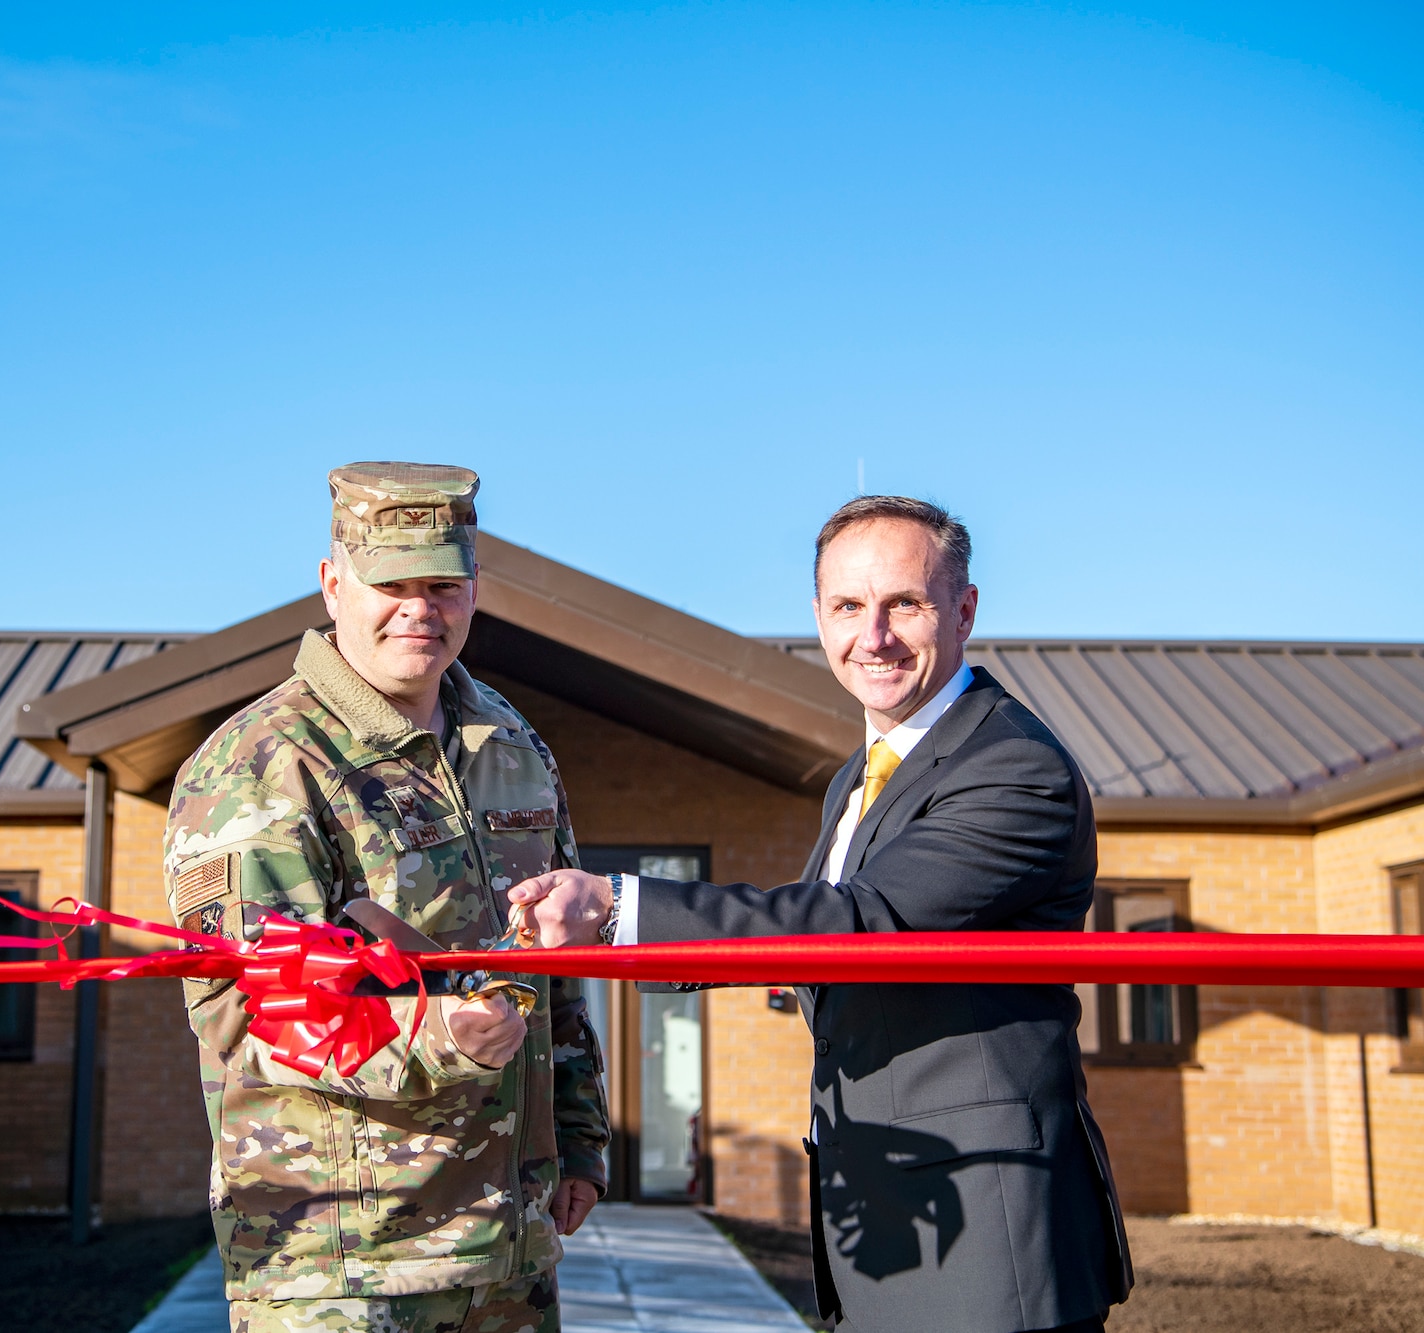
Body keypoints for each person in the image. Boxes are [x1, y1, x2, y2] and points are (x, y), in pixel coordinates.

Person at [508, 495, 1132, 1333]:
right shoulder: (859, 775)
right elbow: (815, 949)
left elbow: (860, 922)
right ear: (817, 616)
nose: (872, 636)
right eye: (848, 606)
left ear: (966, 609)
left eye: (902, 603)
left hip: (990, 1228)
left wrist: (621, 903)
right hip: (885, 1211)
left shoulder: (1014, 767)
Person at [162, 463, 610, 1333]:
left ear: (475, 588)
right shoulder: (259, 766)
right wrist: (437, 1037)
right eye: (389, 583)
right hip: (344, 1258)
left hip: (509, 1248)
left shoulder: (510, 745)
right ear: (334, 585)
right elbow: (243, 1012)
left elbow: (558, 965)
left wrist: (580, 1134)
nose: (418, 608)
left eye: (441, 583)